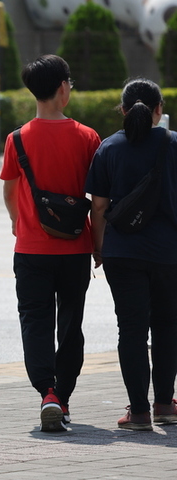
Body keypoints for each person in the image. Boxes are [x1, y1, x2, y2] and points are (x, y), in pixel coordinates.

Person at [0, 54, 101, 432]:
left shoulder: (17, 139)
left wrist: (18, 222)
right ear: (63, 89)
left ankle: (47, 392)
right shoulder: (88, 137)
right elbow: (100, 200)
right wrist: (99, 243)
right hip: (75, 248)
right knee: (71, 324)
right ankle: (64, 396)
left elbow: (10, 191)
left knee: (35, 322)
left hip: (30, 249)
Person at [86, 78, 177, 431]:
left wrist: (98, 247)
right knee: (168, 327)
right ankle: (166, 406)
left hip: (122, 253)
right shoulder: (173, 145)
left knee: (132, 330)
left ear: (123, 110)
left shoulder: (109, 148)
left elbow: (99, 206)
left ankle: (138, 412)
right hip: (169, 253)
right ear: (159, 110)